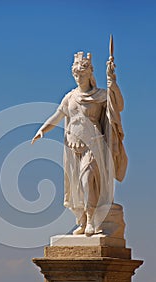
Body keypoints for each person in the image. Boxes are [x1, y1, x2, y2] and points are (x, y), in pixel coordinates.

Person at [31, 51, 127, 236]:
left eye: (81, 74)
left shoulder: (100, 95)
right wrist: (42, 130)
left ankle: (92, 220)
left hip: (93, 145)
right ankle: (82, 221)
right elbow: (57, 116)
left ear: (90, 73)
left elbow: (118, 106)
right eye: (76, 74)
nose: (78, 77)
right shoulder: (70, 97)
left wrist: (113, 83)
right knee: (76, 187)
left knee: (86, 180)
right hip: (73, 146)